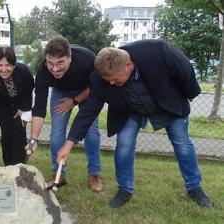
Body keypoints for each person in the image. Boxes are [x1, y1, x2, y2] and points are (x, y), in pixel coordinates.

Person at [57, 39, 213, 208]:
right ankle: (125, 189)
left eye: (115, 79)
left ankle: (194, 188)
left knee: (182, 144)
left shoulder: (156, 51)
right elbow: (88, 112)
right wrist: (69, 142)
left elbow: (184, 69)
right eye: (108, 80)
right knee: (124, 144)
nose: (110, 83)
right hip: (130, 110)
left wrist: (191, 92)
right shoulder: (100, 78)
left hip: (166, 103)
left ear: (128, 65)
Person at [28, 36, 102, 192]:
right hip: (61, 91)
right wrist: (33, 139)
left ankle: (94, 174)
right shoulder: (43, 71)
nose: (54, 69)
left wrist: (74, 101)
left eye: (60, 63)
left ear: (70, 58)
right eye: (50, 63)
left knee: (91, 131)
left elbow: (96, 87)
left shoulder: (87, 60)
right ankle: (59, 174)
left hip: (86, 90)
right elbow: (39, 106)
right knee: (56, 133)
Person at [0, 47, 35, 165]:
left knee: (19, 131)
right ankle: (8, 164)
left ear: (14, 64)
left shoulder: (24, 72)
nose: (4, 69)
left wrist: (24, 110)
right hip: (2, 104)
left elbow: (29, 90)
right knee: (7, 133)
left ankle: (19, 166)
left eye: (8, 65)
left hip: (21, 102)